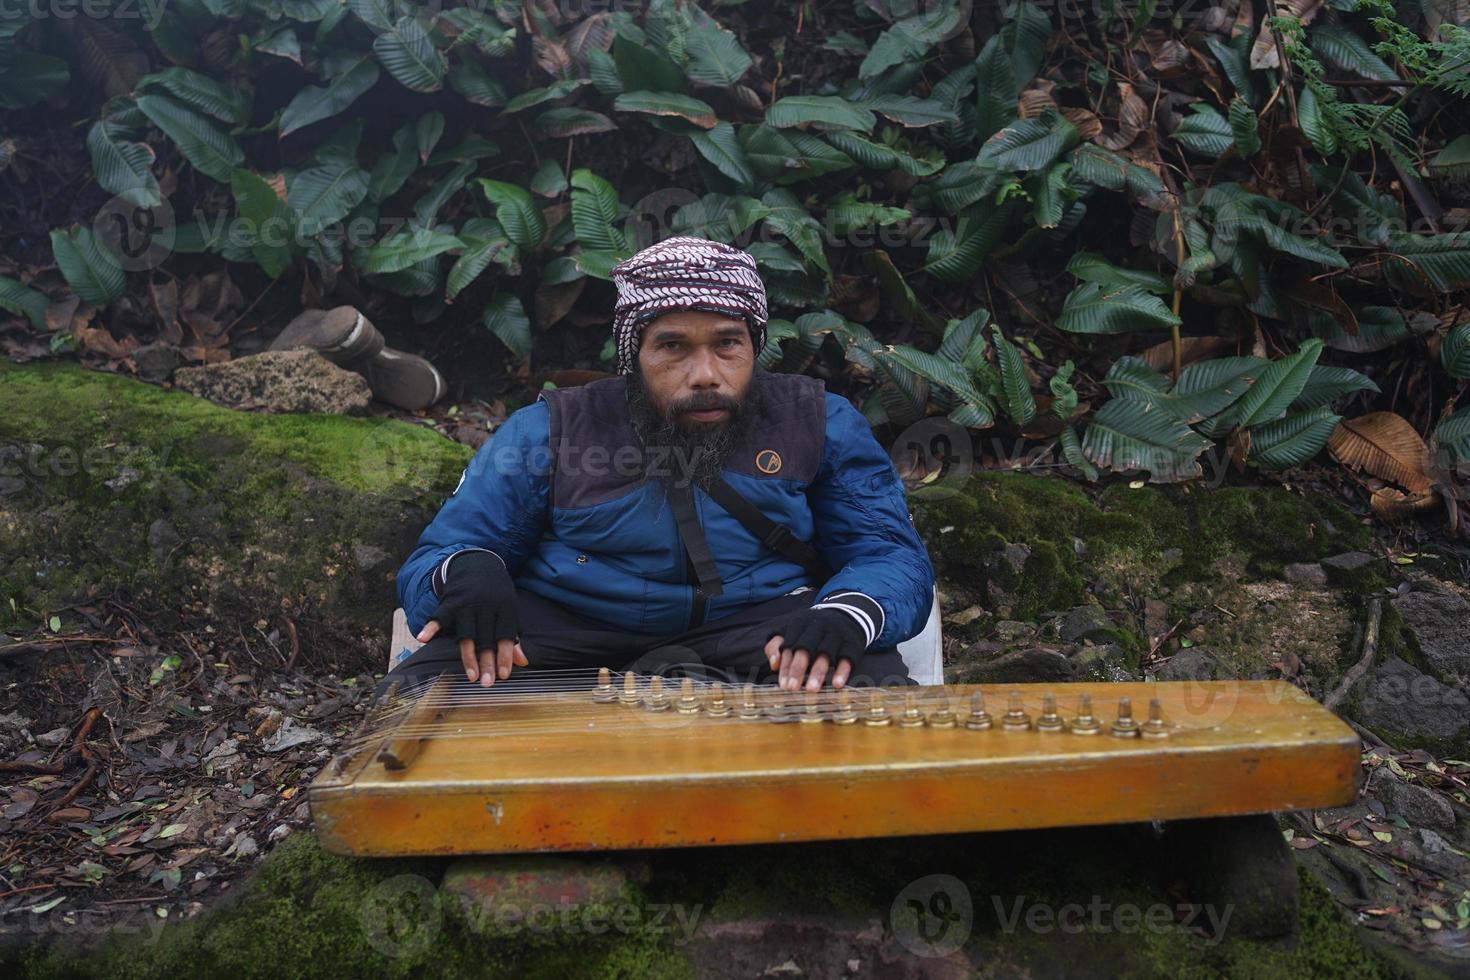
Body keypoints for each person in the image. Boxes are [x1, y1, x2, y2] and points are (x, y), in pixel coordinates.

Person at [390, 236, 934, 693]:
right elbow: (439, 555)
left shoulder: (819, 422)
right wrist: (467, 571)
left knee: (867, 691)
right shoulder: (549, 431)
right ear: (634, 358)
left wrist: (846, 614)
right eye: (672, 347)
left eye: (728, 345)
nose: (705, 374)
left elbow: (888, 554)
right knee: (421, 701)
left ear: (755, 347)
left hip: (760, 627)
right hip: (570, 628)